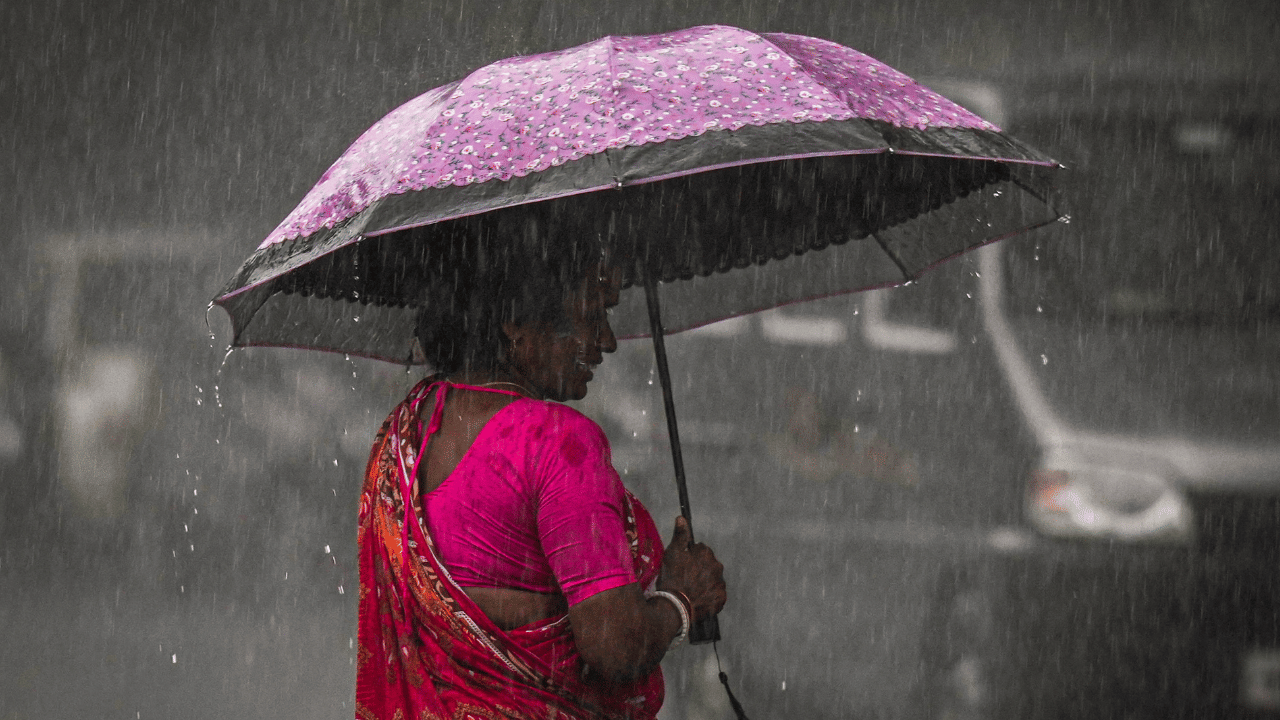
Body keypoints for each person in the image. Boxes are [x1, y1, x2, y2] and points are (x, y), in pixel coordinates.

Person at [355, 214, 728, 720]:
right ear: (515, 322)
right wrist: (682, 601)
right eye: (593, 315)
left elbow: (479, 592)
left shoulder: (406, 432)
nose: (608, 341)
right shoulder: (556, 442)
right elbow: (615, 645)